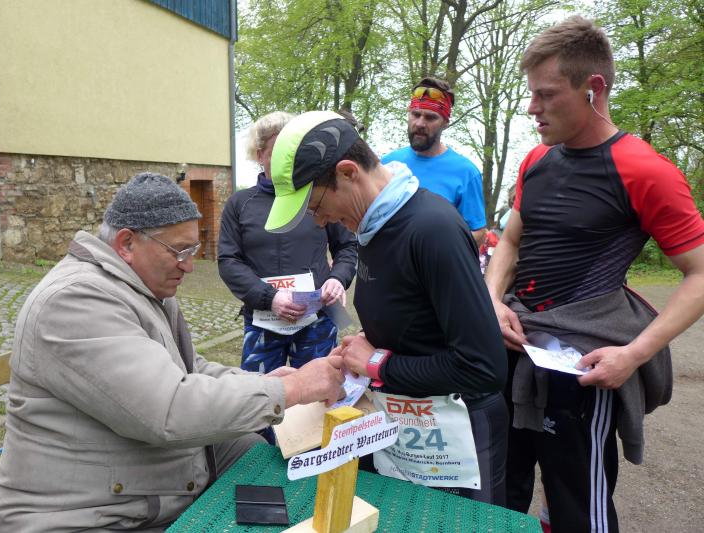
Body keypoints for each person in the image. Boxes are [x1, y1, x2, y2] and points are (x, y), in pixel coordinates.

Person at [0, 172, 346, 532]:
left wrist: (264, 382)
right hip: (88, 515)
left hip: (137, 482)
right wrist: (293, 389)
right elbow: (170, 411)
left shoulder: (141, 287)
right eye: (180, 251)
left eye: (193, 251)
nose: (190, 266)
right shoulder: (74, 301)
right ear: (127, 243)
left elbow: (188, 368)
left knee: (256, 452)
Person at [484, 16, 704, 533]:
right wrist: (492, 300)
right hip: (513, 352)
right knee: (500, 495)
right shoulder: (536, 160)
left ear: (593, 88)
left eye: (546, 94)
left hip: (583, 366)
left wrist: (634, 354)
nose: (532, 108)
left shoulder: (645, 170)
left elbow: (699, 274)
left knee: (579, 509)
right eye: (531, 93)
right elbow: (511, 242)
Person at [264, 111, 508, 505]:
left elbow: (484, 368)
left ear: (348, 172)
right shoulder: (372, 226)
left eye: (315, 206)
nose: (320, 221)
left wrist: (376, 362)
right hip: (410, 428)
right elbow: (416, 316)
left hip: (460, 440)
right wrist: (363, 348)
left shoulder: (433, 229)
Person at [218, 111, 357, 375]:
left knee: (320, 389)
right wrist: (270, 298)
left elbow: (348, 247)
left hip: (316, 318)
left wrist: (338, 278)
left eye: (291, 151)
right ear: (260, 155)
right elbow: (228, 260)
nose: (286, 158)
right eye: (276, 151)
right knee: (260, 394)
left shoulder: (319, 194)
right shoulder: (240, 204)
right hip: (263, 320)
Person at [382, 77, 487, 246]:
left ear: (445, 123)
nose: (420, 123)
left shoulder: (466, 172)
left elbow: (478, 233)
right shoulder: (388, 164)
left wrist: (435, 253)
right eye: (415, 114)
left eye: (430, 118)